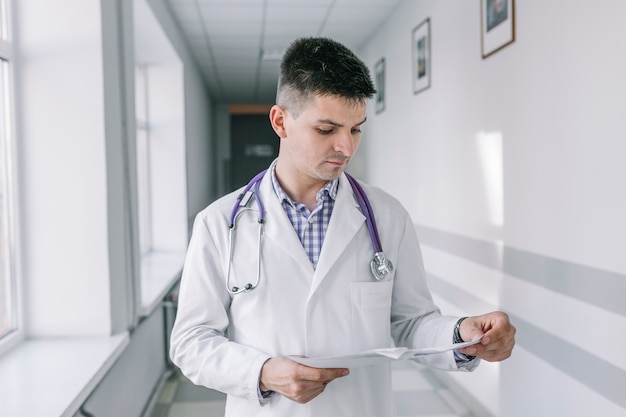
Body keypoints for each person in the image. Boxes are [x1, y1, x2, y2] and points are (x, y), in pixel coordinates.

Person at [170, 37, 516, 417]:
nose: (346, 148)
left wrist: (461, 335)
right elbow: (191, 342)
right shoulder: (220, 222)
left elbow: (411, 322)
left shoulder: (386, 216)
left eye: (355, 129)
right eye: (327, 129)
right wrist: (263, 373)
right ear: (280, 121)